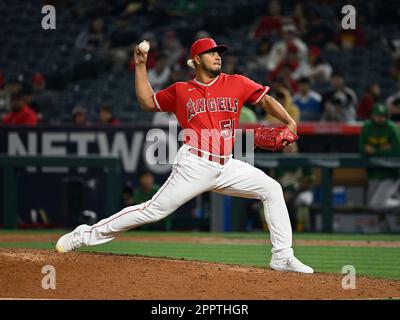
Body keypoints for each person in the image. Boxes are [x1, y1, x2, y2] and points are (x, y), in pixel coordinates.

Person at [56, 37, 314, 274]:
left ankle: (282, 255)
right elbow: (147, 102)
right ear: (197, 60)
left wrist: (289, 121)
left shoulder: (237, 82)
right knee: (152, 211)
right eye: (211, 53)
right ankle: (85, 234)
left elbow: (265, 100)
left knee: (272, 188)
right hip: (195, 164)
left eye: (219, 53)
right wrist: (141, 65)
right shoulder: (180, 90)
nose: (217, 56)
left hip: (227, 165)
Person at [359, 104, 400, 232]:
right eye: (377, 116)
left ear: (386, 116)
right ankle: (387, 232)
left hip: (390, 174)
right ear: (372, 115)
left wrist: (375, 151)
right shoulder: (366, 127)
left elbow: (397, 151)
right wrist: (384, 149)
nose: (379, 119)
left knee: (377, 205)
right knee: (380, 209)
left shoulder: (392, 128)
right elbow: (362, 149)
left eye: (382, 116)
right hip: (373, 173)